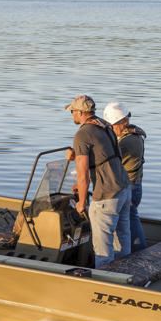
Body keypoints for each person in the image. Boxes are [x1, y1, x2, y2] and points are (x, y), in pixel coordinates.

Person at [64, 94, 131, 268]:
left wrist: (80, 203)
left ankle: (105, 279)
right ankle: (126, 270)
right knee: (123, 236)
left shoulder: (82, 134)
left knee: (102, 245)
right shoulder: (105, 125)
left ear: (80, 112)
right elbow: (105, 155)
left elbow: (83, 174)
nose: (72, 115)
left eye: (72, 111)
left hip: (107, 195)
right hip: (124, 188)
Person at [102, 102, 147, 252]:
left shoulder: (127, 141)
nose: (110, 129)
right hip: (135, 185)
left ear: (121, 122)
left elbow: (107, 157)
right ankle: (139, 251)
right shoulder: (134, 135)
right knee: (132, 217)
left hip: (130, 186)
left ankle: (135, 252)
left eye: (112, 126)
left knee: (126, 221)